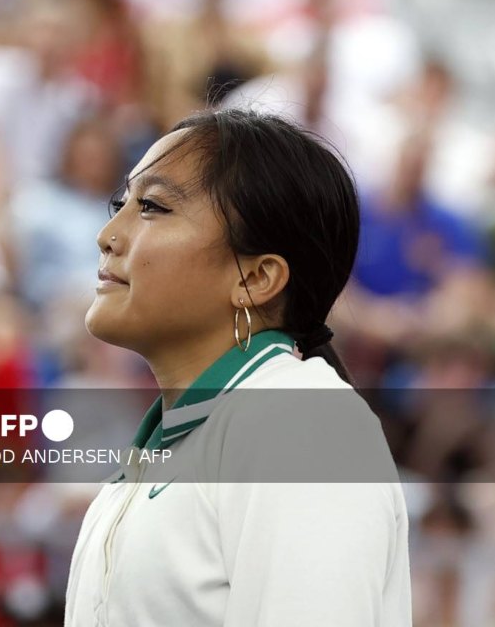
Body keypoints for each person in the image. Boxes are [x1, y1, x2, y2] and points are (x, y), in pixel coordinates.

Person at [65, 109, 411, 625]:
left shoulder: (304, 421)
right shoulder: (181, 440)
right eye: (121, 203)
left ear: (256, 278)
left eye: (153, 207)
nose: (109, 234)